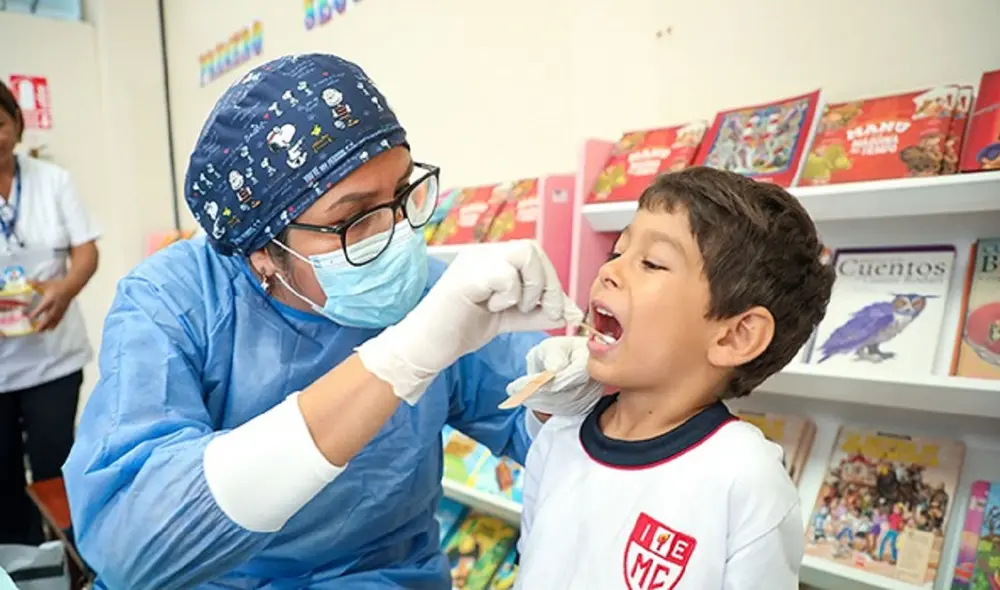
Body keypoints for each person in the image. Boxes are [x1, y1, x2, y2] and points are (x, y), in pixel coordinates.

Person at [62, 53, 602, 589]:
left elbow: (541, 438)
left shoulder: (430, 296)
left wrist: (561, 402)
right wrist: (396, 362)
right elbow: (134, 542)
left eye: (401, 194)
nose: (395, 234)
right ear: (262, 251)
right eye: (351, 219)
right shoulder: (174, 302)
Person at [511, 167, 836, 589]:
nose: (609, 272)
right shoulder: (558, 438)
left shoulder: (746, 480)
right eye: (616, 253)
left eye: (652, 262)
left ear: (736, 335)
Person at [0, 80, 100, 546]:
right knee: (2, 481)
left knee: (55, 468)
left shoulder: (52, 180)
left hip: (52, 357)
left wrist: (66, 288)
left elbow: (85, 251)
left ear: (17, 125)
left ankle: (70, 558)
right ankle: (21, 566)